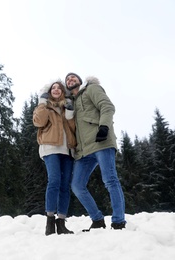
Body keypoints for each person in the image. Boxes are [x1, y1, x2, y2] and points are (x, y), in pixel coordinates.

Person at [64, 72, 126, 231]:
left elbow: (107, 106)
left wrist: (104, 127)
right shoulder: (71, 102)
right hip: (83, 151)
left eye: (73, 77)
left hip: (101, 142)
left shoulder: (91, 89)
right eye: (68, 79)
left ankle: (118, 221)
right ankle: (97, 219)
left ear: (79, 81)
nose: (70, 80)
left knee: (110, 180)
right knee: (77, 186)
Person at [33, 80, 77, 235]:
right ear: (49, 92)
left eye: (59, 88)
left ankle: (61, 223)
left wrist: (70, 113)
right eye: (53, 88)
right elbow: (39, 122)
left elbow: (73, 129)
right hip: (50, 147)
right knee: (54, 181)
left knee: (65, 186)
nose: (57, 89)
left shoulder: (67, 106)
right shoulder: (44, 106)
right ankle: (49, 222)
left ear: (63, 92)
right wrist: (42, 103)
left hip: (68, 150)